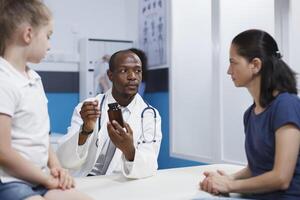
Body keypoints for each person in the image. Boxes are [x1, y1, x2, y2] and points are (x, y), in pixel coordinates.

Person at [0, 1, 92, 199]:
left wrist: (57, 168)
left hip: (40, 178)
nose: (49, 45)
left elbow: (43, 136)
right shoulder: (3, 80)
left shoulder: (34, 80)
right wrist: (46, 179)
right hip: (10, 181)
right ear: (28, 34)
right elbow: (3, 152)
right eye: (48, 36)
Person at [199, 29, 300, 199]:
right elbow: (256, 168)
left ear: (255, 65)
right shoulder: (250, 114)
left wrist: (230, 185)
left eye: (233, 62)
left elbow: (281, 177)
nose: (229, 71)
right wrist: (227, 178)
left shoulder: (286, 105)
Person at [56, 49, 162, 178]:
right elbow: (65, 159)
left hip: (121, 185)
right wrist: (85, 130)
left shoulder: (150, 116)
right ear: (110, 75)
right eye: (124, 70)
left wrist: (129, 150)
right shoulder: (88, 108)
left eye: (137, 71)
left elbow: (149, 165)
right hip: (85, 181)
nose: (132, 76)